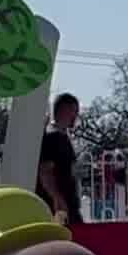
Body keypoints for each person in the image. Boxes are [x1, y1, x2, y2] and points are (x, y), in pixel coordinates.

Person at [34, 92, 83, 224]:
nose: (76, 116)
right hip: (59, 207)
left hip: (68, 204)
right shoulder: (52, 138)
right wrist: (57, 198)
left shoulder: (62, 137)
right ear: (65, 110)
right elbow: (45, 171)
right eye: (75, 111)